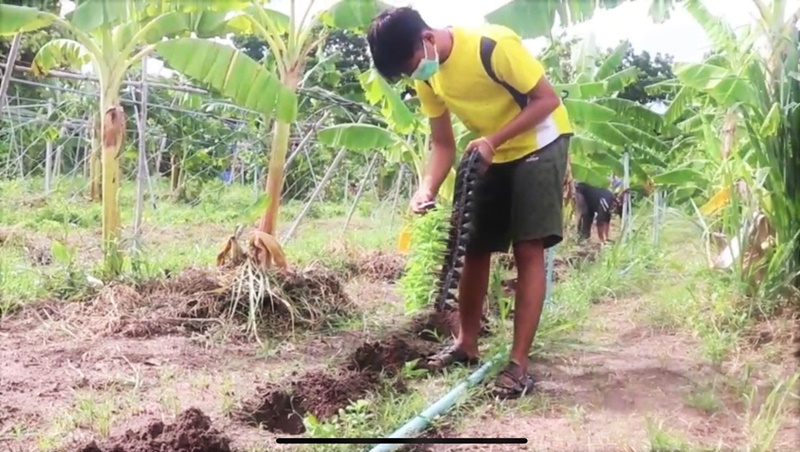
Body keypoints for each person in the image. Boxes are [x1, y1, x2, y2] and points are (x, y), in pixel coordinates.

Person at [366, 7, 573, 399]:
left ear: (427, 38)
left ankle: (518, 365)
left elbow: (547, 100)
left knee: (527, 246)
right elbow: (443, 143)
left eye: (412, 65)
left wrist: (494, 140)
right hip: (490, 149)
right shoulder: (428, 77)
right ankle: (466, 344)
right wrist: (426, 188)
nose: (415, 75)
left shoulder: (492, 45)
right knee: (474, 245)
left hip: (540, 141)